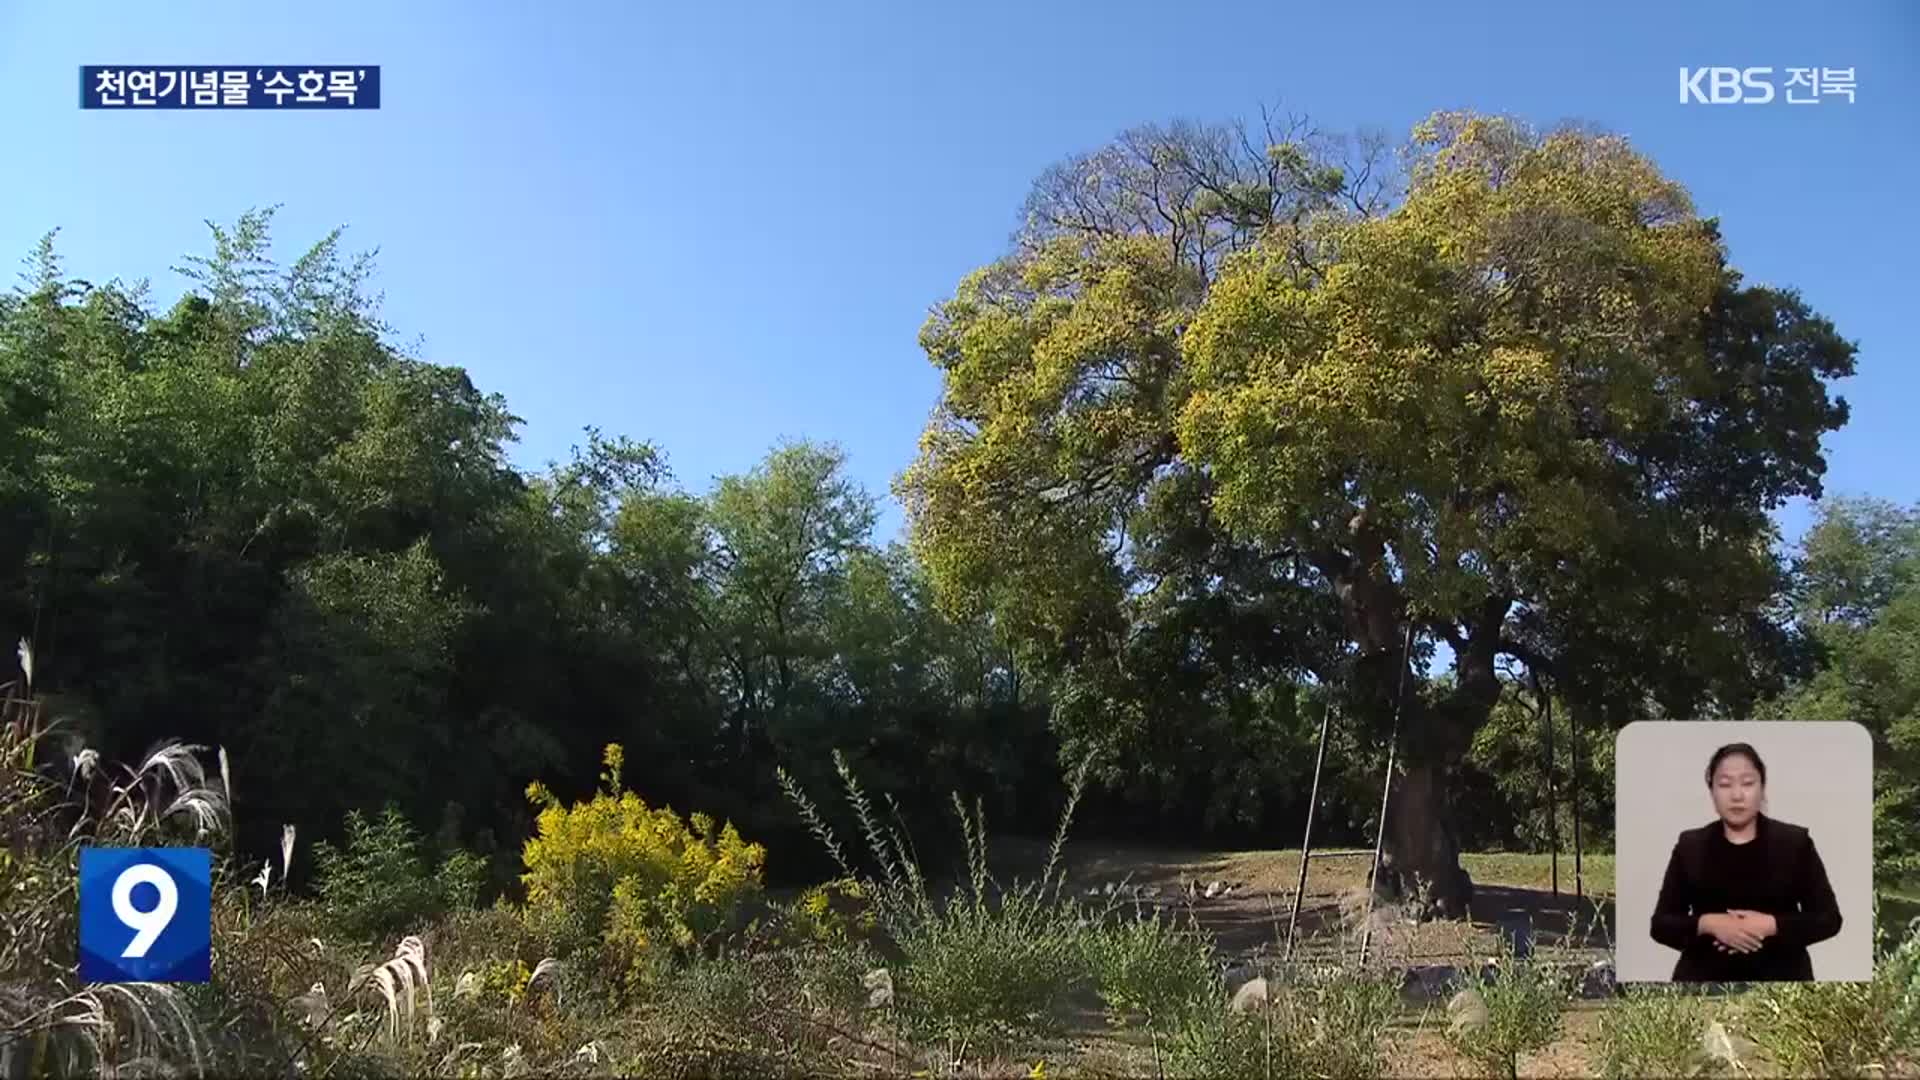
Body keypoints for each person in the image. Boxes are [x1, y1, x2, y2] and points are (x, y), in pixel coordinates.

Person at [1649, 743, 1843, 981]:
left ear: (1762, 789)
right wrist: (1710, 923)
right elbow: (1661, 925)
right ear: (1712, 792)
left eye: (1748, 783)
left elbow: (1829, 919)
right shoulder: (1691, 846)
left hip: (1783, 983)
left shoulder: (1794, 843)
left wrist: (1770, 924)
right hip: (1703, 983)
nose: (1737, 795)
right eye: (1725, 784)